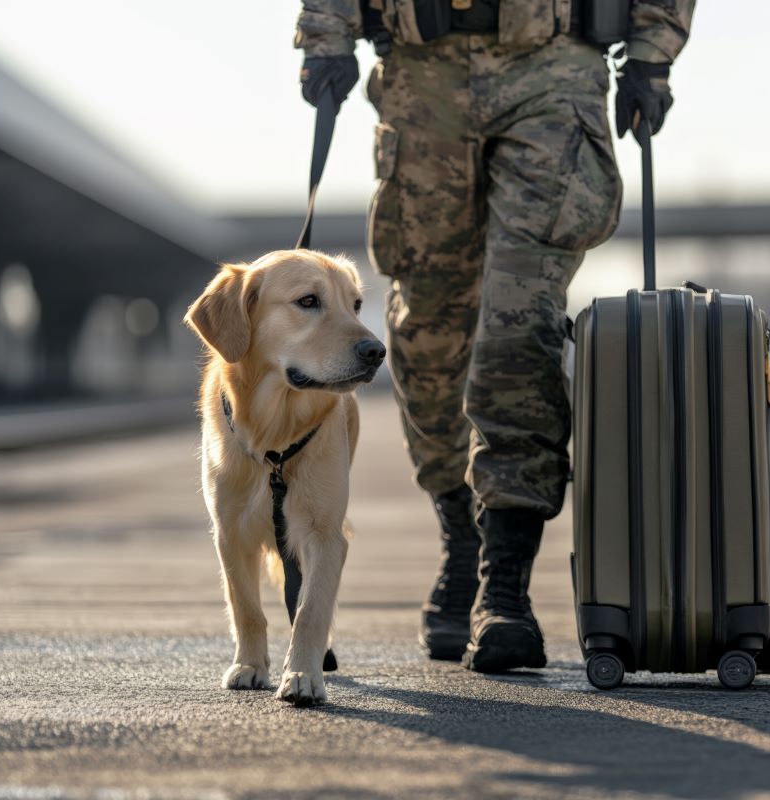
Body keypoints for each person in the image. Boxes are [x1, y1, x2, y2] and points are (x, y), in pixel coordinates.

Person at [294, 0, 693, 672]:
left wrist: (653, 48)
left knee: (518, 322)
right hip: (422, 77)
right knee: (426, 336)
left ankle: (503, 586)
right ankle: (462, 541)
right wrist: (325, 34)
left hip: (553, 69)